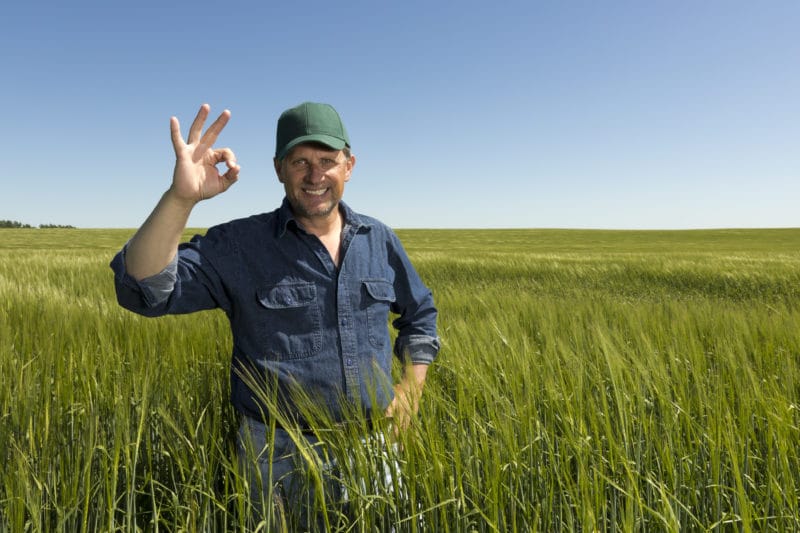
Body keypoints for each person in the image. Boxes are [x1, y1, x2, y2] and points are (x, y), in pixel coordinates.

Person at [110, 102, 440, 528]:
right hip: (276, 456)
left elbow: (420, 314)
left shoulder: (380, 240)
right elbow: (143, 290)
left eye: (327, 161)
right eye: (300, 161)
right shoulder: (240, 245)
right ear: (278, 168)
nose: (315, 175)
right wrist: (180, 199)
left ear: (349, 165)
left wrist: (413, 387)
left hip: (375, 447)